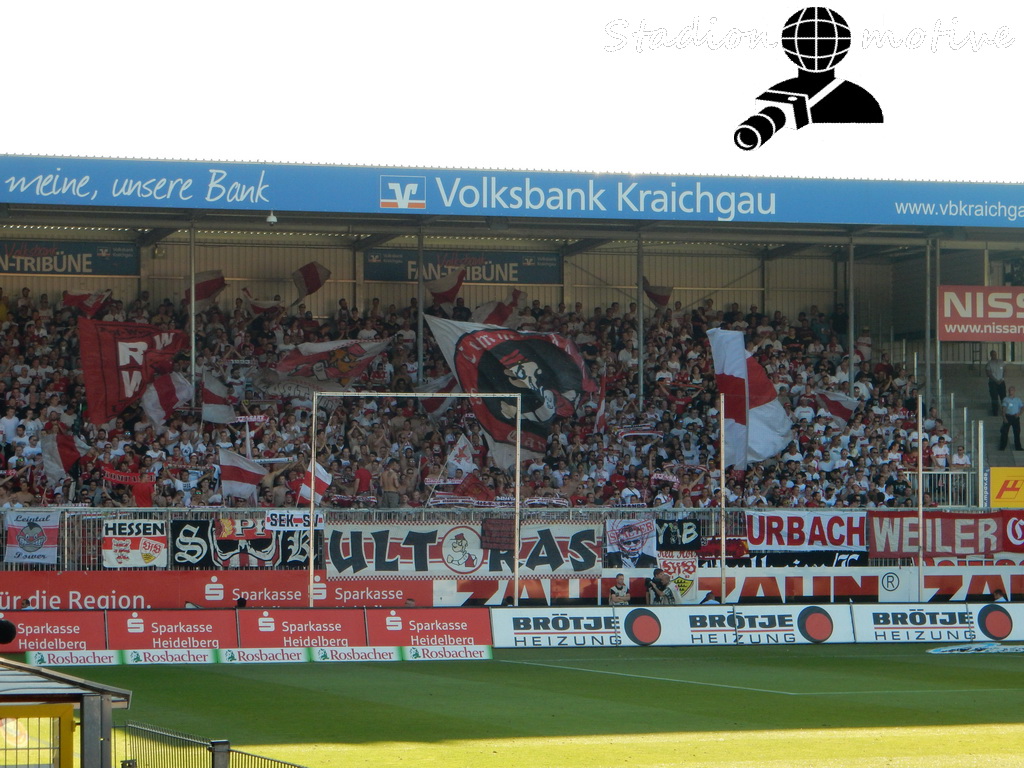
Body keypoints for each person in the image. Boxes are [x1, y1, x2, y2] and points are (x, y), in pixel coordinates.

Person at [1000, 386, 1023, 451]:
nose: (1011, 392)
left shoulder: (1018, 399)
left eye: (1012, 390)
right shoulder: (1006, 399)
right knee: (1004, 432)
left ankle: (1018, 447)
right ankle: (1002, 446)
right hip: (1008, 416)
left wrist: (1019, 414)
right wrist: (1004, 417)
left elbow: (1022, 407)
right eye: (1009, 390)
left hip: (1015, 417)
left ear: (1014, 391)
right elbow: (1003, 409)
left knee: (1017, 432)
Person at [986, 350, 1007, 417]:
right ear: (990, 355)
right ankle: (995, 412)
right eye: (993, 355)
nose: (994, 356)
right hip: (993, 382)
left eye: (995, 354)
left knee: (1003, 397)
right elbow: (988, 373)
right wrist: (996, 380)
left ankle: (1004, 411)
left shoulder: (1001, 362)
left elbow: (1004, 370)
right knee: (994, 397)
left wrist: (1002, 379)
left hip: (1001, 382)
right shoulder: (989, 363)